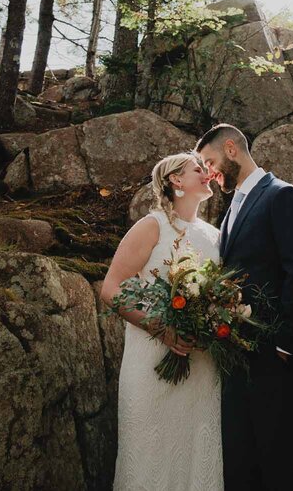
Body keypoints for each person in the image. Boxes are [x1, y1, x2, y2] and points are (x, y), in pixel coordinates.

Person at [195, 123, 293, 491]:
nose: (209, 171)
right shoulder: (231, 207)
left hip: (272, 356)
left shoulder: (283, 196)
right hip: (235, 354)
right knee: (241, 460)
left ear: (231, 149)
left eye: (210, 161)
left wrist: (284, 343)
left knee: (277, 460)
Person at [101, 152, 224, 491]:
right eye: (197, 169)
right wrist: (162, 329)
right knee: (149, 455)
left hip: (200, 364)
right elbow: (111, 290)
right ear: (176, 181)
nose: (207, 173)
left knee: (197, 450)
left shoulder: (215, 235)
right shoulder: (152, 225)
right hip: (151, 361)